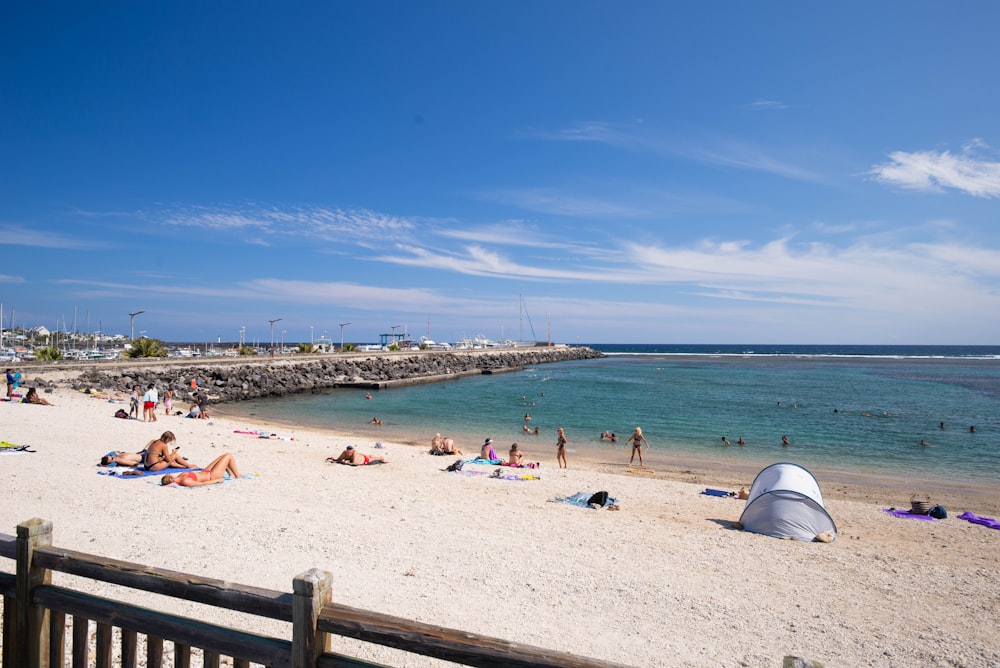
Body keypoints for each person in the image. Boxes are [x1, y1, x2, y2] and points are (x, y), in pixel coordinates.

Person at [161, 453, 241, 486]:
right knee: (228, 455)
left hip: (205, 472)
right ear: (171, 478)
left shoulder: (179, 477)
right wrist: (218, 480)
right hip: (212, 476)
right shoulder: (185, 481)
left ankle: (231, 474)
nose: (170, 473)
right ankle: (238, 476)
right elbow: (202, 484)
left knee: (222, 457)